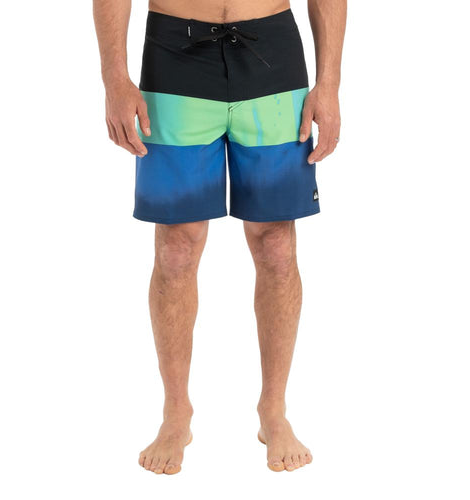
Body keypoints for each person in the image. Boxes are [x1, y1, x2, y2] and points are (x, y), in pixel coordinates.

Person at [93, 0, 346, 474]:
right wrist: (114, 78)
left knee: (276, 245)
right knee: (176, 249)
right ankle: (176, 413)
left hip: (272, 56)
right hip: (173, 58)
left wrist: (328, 82)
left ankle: (273, 410)